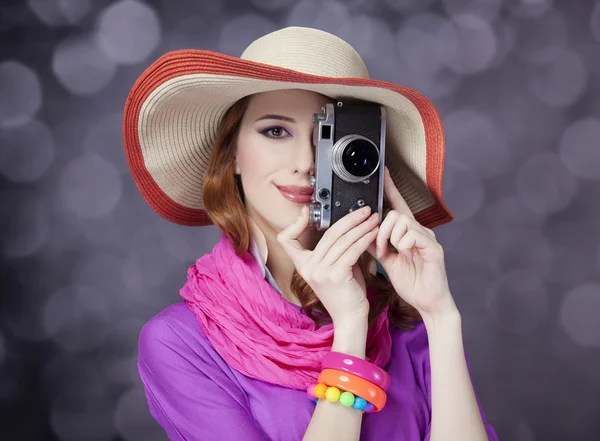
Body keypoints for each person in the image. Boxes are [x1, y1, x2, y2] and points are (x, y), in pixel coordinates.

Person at [123, 26, 499, 441]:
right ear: (232, 155)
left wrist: (441, 317)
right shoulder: (181, 344)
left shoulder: (407, 324)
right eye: (276, 131)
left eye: (329, 138)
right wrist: (350, 329)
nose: (306, 161)